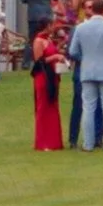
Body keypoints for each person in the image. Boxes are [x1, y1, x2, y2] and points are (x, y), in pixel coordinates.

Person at [68, 0, 103, 150]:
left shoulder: (81, 28)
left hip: (87, 71)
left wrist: (85, 58)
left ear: (92, 10)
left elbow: (73, 51)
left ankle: (88, 144)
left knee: (88, 108)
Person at [30, 11, 67, 149]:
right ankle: (43, 141)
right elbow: (39, 60)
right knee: (43, 107)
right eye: (52, 25)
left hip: (52, 75)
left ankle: (54, 141)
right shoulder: (38, 40)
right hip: (43, 77)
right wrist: (55, 57)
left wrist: (60, 48)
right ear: (47, 26)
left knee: (53, 106)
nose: (54, 27)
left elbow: (52, 51)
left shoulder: (49, 39)